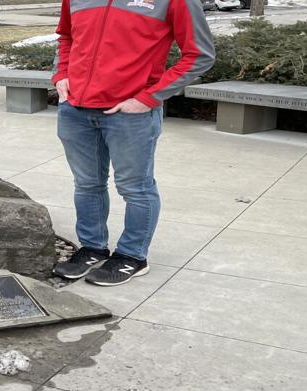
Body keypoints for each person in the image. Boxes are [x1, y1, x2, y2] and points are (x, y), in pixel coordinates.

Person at [49, 0, 214, 287]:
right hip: (75, 110)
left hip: (130, 114)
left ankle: (133, 256)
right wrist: (61, 73)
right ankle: (92, 249)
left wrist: (148, 98)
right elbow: (67, 37)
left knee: (135, 189)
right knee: (87, 184)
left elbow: (199, 55)